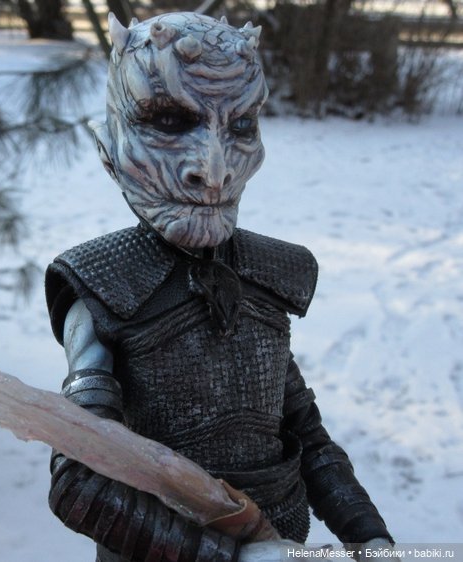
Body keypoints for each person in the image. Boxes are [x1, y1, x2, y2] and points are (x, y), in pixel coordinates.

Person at [44, 12, 393, 562]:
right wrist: (228, 556)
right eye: (167, 120)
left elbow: (304, 434)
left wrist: (368, 534)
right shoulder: (104, 284)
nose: (213, 168)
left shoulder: (266, 274)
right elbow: (82, 479)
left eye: (240, 125)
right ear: (109, 142)